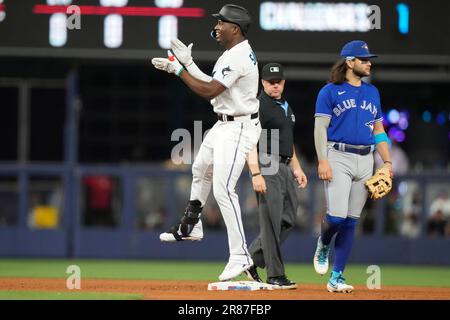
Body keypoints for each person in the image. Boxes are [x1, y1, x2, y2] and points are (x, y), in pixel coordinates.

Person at [152, 4, 261, 281]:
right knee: (200, 168)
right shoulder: (232, 52)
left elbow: (209, 90)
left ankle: (241, 255)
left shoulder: (237, 56)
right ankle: (192, 225)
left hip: (240, 126)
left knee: (224, 188)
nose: (217, 27)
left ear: (234, 29)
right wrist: (187, 65)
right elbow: (213, 84)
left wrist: (179, 72)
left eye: (221, 23)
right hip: (225, 123)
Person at [312, 40, 393, 293]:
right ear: (349, 62)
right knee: (335, 217)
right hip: (338, 156)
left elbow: (379, 130)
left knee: (350, 222)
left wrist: (387, 161)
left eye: (369, 59)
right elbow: (319, 128)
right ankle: (323, 243)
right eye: (364, 59)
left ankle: (337, 277)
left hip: (366, 159)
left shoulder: (373, 92)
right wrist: (322, 160)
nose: (369, 62)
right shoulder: (330, 91)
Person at [246, 63, 307, 289]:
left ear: (283, 82)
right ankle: (275, 275)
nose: (275, 85)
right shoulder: (258, 105)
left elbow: (287, 142)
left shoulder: (284, 105)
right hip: (266, 162)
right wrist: (256, 173)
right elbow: (248, 141)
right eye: (270, 81)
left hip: (284, 164)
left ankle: (250, 259)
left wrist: (296, 167)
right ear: (262, 82)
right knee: (271, 222)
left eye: (278, 81)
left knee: (288, 219)